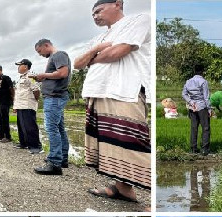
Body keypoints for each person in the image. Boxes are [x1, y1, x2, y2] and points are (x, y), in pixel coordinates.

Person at [76, 1, 152, 204]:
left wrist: (92, 56)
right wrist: (98, 50)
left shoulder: (139, 20)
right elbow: (77, 63)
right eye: (92, 14)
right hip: (99, 91)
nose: (95, 16)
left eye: (99, 10)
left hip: (124, 91)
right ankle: (123, 189)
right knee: (112, 145)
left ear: (118, 3)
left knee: (133, 143)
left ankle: (156, 203)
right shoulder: (100, 37)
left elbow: (119, 51)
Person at [33, 39, 72, 175]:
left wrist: (43, 75)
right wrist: (44, 78)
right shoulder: (56, 57)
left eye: (40, 51)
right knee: (59, 128)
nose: (40, 54)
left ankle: (54, 162)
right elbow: (57, 74)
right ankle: (62, 159)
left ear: (46, 45)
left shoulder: (59, 55)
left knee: (51, 128)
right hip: (55, 96)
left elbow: (63, 73)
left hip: (55, 97)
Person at [13, 59, 42, 153]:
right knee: (21, 126)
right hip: (20, 105)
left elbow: (36, 90)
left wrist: (33, 101)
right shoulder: (21, 78)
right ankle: (24, 143)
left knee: (30, 126)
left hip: (28, 105)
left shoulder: (31, 76)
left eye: (19, 65)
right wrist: (15, 106)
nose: (18, 67)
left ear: (25, 66)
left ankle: (36, 146)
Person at [182, 64, 211, 156]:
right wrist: (209, 109)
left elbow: (184, 94)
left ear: (195, 71)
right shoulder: (203, 81)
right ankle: (204, 149)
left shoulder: (188, 81)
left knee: (194, 128)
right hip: (202, 107)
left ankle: (193, 148)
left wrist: (191, 102)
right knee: (205, 128)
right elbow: (206, 97)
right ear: (202, 71)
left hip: (192, 107)